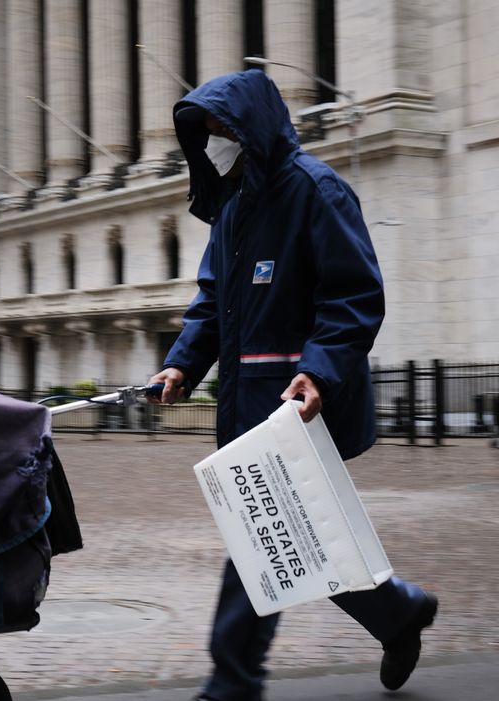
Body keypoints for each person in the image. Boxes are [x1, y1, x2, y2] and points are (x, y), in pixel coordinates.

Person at [147, 70, 438, 698]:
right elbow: (212, 303)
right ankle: (398, 612)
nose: (216, 141)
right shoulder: (234, 208)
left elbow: (354, 294)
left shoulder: (317, 190)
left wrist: (319, 370)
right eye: (209, 133)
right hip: (252, 401)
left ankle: (232, 681)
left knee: (261, 538)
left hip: (298, 405)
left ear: (252, 127)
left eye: (224, 129)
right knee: (294, 539)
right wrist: (181, 364)